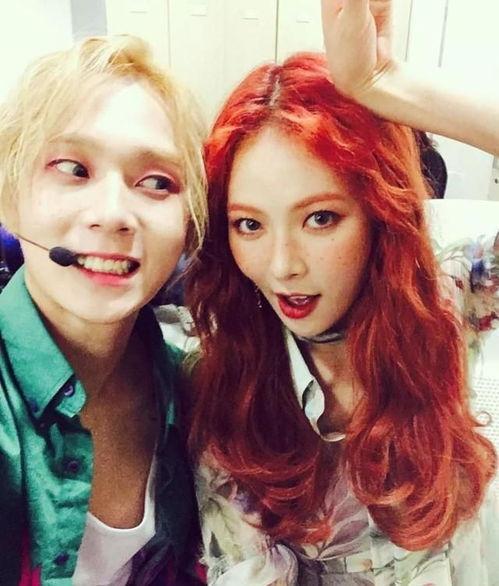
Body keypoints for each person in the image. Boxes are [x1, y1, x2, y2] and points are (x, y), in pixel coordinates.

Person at [185, 0, 499, 583]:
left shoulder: (447, 301)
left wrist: (387, 85)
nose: (283, 266)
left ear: (380, 213)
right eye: (249, 224)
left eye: (320, 218)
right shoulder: (229, 379)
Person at [0, 35, 207, 585]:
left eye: (156, 182)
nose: (113, 214)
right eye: (73, 168)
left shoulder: (189, 385)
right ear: (9, 198)